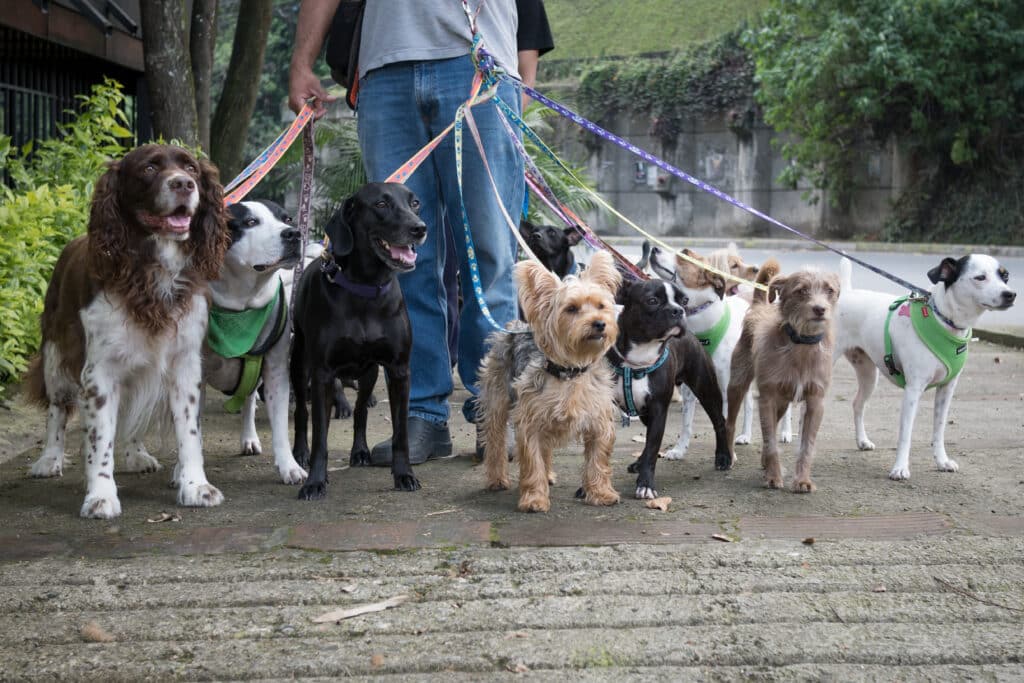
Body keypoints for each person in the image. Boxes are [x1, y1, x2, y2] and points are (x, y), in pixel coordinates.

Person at [289, 1, 525, 464]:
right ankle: (423, 416)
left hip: (477, 60)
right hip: (384, 68)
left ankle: (494, 416)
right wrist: (301, 62)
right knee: (400, 258)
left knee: (490, 253)